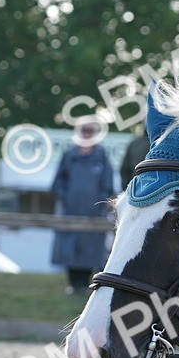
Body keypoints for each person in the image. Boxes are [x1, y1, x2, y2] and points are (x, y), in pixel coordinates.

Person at [51, 116, 115, 294]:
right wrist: (66, 199)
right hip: (70, 212)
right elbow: (58, 182)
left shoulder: (101, 156)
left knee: (91, 250)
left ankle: (86, 285)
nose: (87, 133)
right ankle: (73, 284)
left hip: (94, 214)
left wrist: (99, 203)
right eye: (84, 129)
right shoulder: (69, 155)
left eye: (91, 130)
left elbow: (107, 185)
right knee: (69, 249)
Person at [120, 120, 148, 190]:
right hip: (135, 192)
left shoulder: (168, 142)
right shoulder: (134, 144)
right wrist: (127, 190)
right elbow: (125, 170)